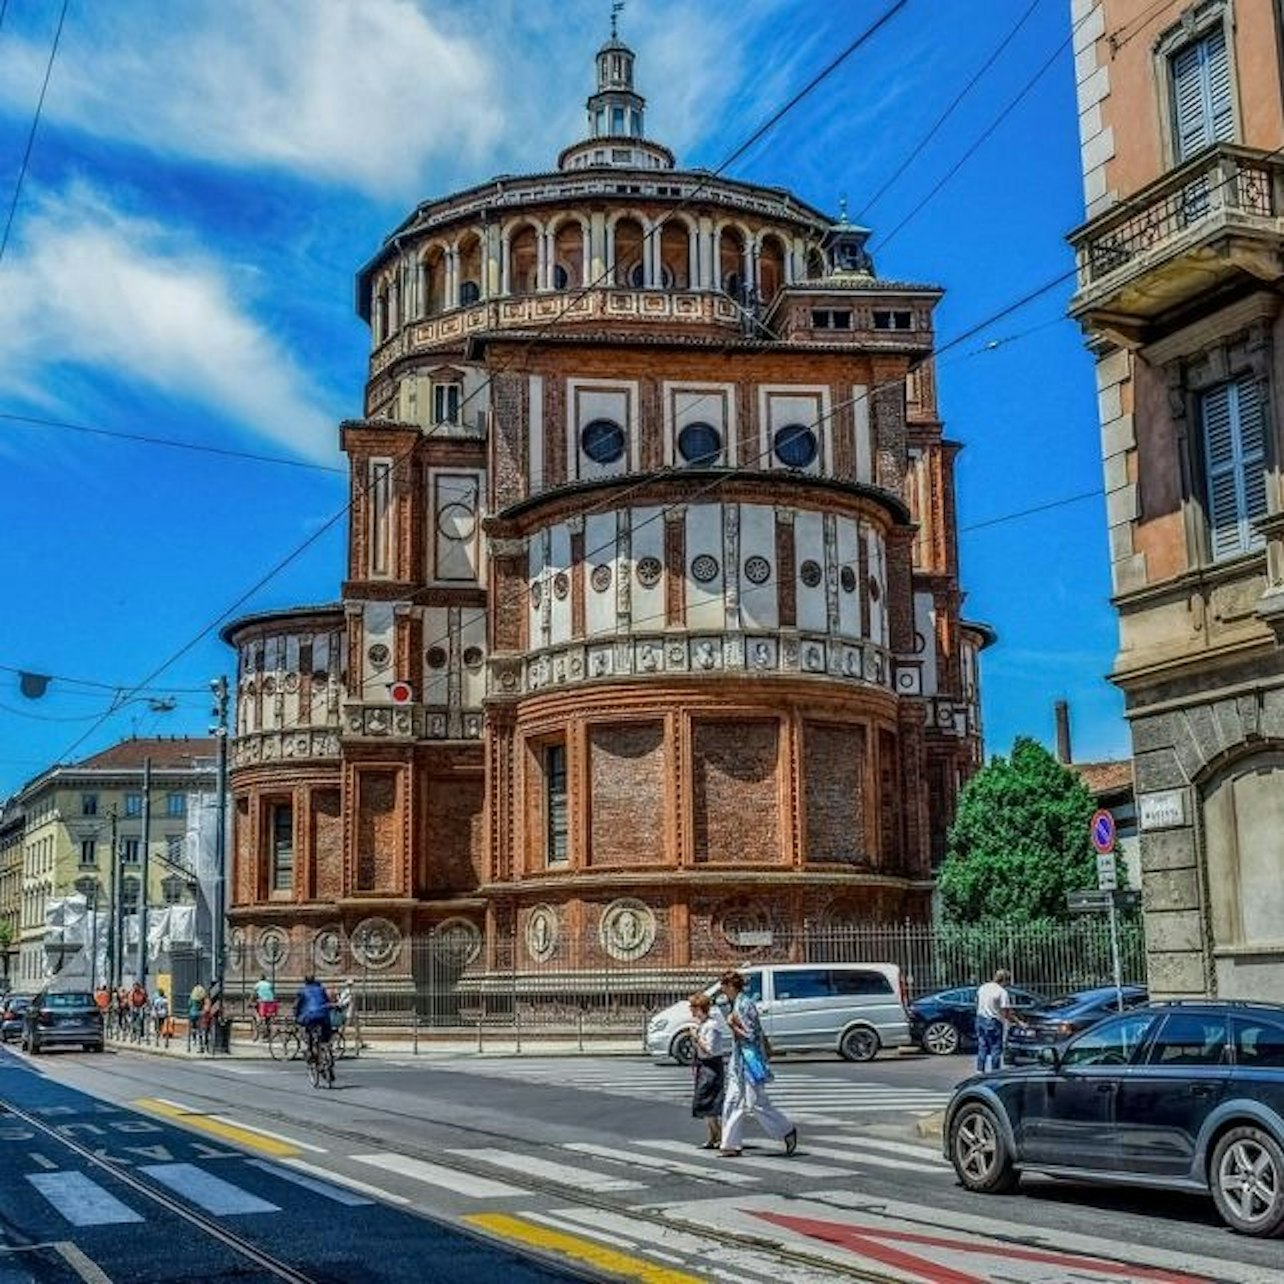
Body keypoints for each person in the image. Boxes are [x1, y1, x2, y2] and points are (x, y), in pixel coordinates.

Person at [718, 970, 797, 1158]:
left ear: (730, 986)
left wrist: (732, 1025)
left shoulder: (745, 1005)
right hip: (738, 1061)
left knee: (755, 1103)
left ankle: (786, 1130)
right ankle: (730, 1144)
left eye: (724, 987)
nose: (723, 991)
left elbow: (750, 1035)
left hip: (750, 1060)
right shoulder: (736, 1003)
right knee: (732, 1101)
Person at [689, 993, 729, 1150]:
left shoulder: (711, 1026)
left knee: (709, 1103)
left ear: (699, 1008)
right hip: (704, 1066)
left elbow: (710, 1050)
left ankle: (720, 1136)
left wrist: (696, 1038)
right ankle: (713, 1137)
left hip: (711, 1067)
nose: (690, 1010)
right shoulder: (704, 1024)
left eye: (692, 1007)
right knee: (705, 1104)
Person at [975, 968, 1023, 1073]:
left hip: (980, 1019)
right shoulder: (1002, 992)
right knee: (995, 1048)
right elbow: (1006, 1012)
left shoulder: (983, 987)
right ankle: (995, 1072)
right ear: (1005, 980)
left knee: (982, 1046)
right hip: (994, 1021)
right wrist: (1018, 1022)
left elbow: (977, 1003)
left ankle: (980, 1070)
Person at [294, 974, 333, 1060]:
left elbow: (297, 1006)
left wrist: (296, 1016)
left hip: (309, 1016)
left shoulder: (302, 991)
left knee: (309, 1031)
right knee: (326, 1031)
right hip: (323, 1014)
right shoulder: (321, 989)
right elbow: (327, 1002)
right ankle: (327, 1046)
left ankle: (311, 1051)